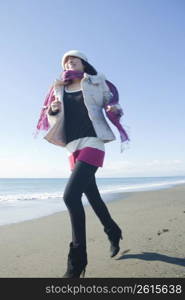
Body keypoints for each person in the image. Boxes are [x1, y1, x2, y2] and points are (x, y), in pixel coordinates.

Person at [35, 50, 130, 278]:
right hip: (72, 146)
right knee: (93, 196)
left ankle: (77, 263)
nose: (69, 62)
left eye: (73, 59)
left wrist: (114, 111)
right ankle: (113, 230)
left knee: (70, 196)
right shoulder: (59, 89)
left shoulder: (96, 83)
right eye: (66, 61)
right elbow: (53, 118)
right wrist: (53, 111)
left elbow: (112, 103)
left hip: (93, 142)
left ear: (83, 64)